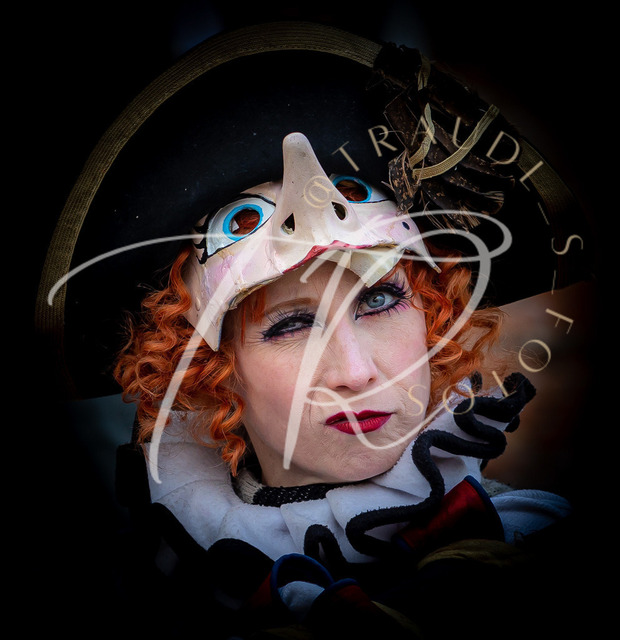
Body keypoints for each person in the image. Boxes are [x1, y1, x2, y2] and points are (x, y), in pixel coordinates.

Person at [37, 21, 594, 640]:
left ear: (434, 318)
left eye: (379, 299)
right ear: (209, 372)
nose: (356, 372)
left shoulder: (544, 556)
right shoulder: (139, 598)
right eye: (292, 325)